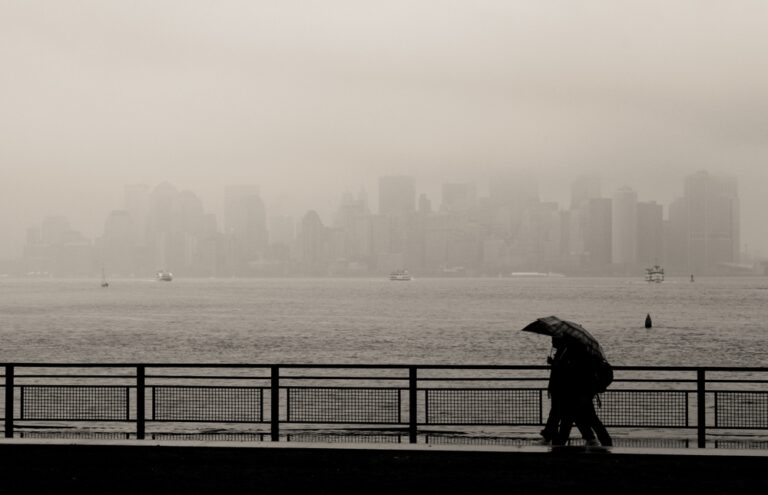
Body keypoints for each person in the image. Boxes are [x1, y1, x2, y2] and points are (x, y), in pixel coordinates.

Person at [541, 336, 600, 445]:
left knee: (561, 414)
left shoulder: (566, 352)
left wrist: (554, 364)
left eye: (554, 340)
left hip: (562, 390)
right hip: (562, 390)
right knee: (568, 415)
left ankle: (552, 436)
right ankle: (588, 436)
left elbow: (564, 370)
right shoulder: (563, 351)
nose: (552, 342)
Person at [551, 342, 612, 447]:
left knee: (567, 421)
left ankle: (559, 445)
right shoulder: (587, 355)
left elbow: (572, 375)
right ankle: (606, 442)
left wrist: (558, 364)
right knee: (592, 420)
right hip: (585, 395)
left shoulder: (575, 356)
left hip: (575, 395)